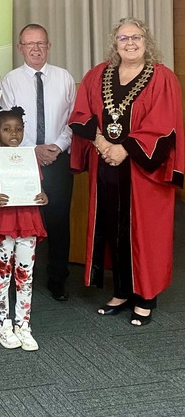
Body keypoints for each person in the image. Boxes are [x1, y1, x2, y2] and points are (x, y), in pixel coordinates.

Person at [69, 17, 184, 326]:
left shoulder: (162, 78)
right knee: (112, 228)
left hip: (143, 173)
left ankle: (146, 296)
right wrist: (102, 141)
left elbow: (164, 125)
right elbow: (81, 112)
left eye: (136, 37)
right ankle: (121, 290)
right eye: (123, 38)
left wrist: (125, 149)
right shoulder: (98, 75)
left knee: (144, 234)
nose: (130, 42)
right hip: (105, 165)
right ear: (114, 42)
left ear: (147, 41)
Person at [0, 24, 76, 301]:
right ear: (20, 48)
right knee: (23, 220)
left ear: (49, 46)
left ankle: (58, 278)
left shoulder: (64, 78)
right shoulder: (11, 80)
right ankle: (22, 276)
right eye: (29, 44)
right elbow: (6, 124)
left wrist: (57, 146)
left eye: (41, 43)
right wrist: (33, 150)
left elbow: (73, 119)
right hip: (24, 158)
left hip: (58, 156)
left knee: (58, 219)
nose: (35, 48)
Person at [0, 106, 48, 351]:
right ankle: (3, 325)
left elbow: (36, 189)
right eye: (7, 129)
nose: (14, 134)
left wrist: (42, 197)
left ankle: (23, 324)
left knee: (25, 276)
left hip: (28, 222)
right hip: (3, 224)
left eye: (19, 129)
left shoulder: (30, 159)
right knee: (2, 276)